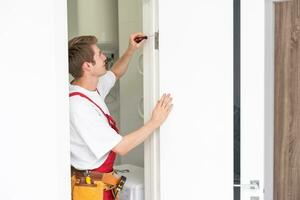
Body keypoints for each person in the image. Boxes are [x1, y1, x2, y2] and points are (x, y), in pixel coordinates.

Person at [68, 32, 173, 200]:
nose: (104, 57)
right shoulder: (79, 107)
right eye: (100, 54)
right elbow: (121, 147)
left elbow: (115, 73)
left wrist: (131, 49)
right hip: (90, 191)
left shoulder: (87, 87)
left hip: (101, 184)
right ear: (87, 66)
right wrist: (155, 122)